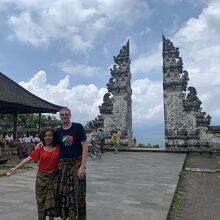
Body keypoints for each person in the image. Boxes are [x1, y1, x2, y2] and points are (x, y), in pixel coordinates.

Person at [8, 128, 60, 220]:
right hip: (41, 178)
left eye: (50, 135)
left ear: (53, 137)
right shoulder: (39, 149)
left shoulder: (59, 148)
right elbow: (28, 159)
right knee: (41, 202)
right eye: (45, 136)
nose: (47, 137)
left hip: (54, 178)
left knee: (52, 203)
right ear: (43, 137)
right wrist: (15, 168)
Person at [56, 107, 88, 220]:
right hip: (63, 167)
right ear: (60, 116)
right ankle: (67, 216)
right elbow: (50, 142)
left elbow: (85, 145)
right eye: (62, 115)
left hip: (77, 165)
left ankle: (79, 217)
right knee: (63, 193)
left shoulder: (77, 127)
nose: (64, 116)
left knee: (79, 193)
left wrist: (83, 166)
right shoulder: (58, 131)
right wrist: (40, 144)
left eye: (66, 114)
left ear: (70, 115)